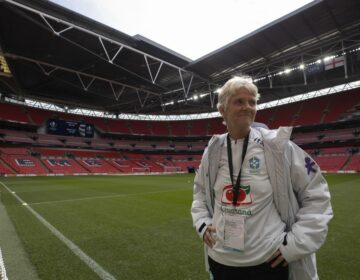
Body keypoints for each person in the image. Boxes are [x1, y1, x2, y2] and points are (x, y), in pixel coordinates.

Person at [191, 76, 333, 280]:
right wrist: (202, 224)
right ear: (222, 109)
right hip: (221, 260)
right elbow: (200, 192)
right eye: (239, 101)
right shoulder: (213, 150)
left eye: (252, 102)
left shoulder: (279, 148)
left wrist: (294, 245)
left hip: (268, 262)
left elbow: (317, 195)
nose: (247, 107)